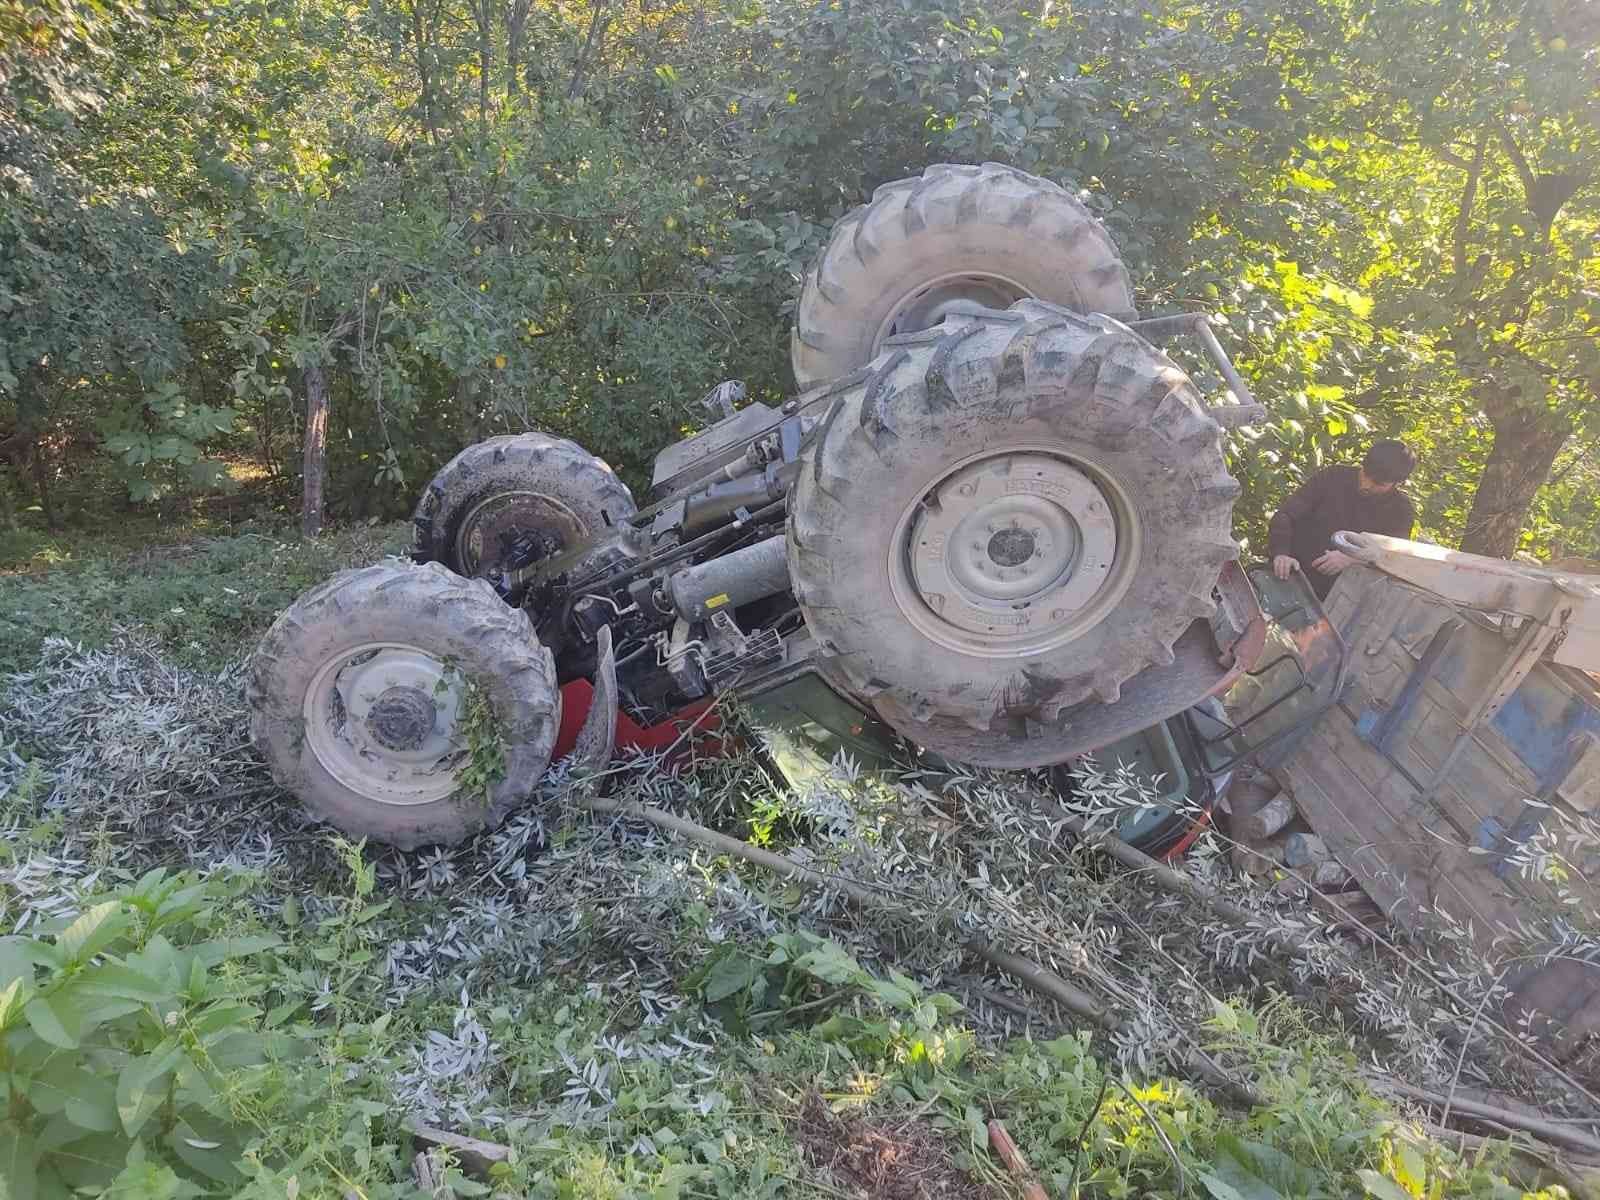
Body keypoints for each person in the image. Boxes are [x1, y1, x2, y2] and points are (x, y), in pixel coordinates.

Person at [1268, 439, 1417, 597]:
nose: (1367, 485)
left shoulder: (1401, 511)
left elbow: (1392, 560)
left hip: (1339, 596)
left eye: (1377, 483)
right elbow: (1285, 515)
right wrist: (1281, 553)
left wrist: (1352, 560)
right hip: (1290, 572)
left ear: (1397, 483)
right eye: (1366, 475)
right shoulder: (1332, 476)